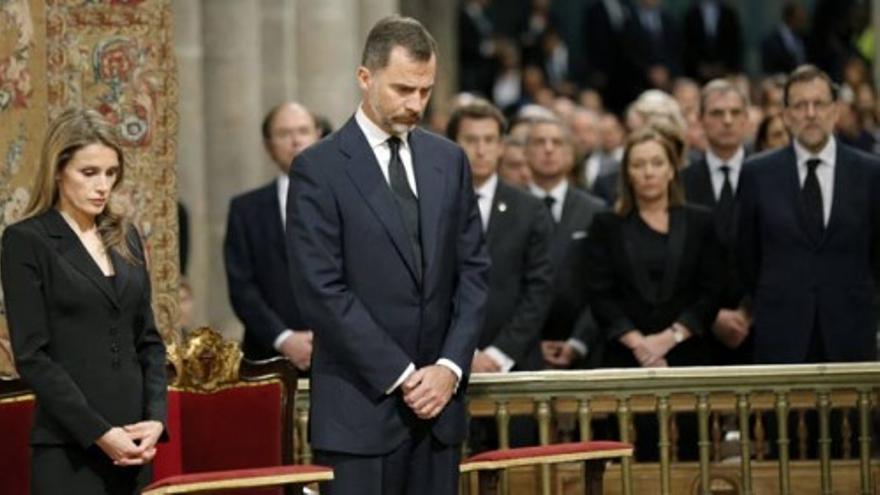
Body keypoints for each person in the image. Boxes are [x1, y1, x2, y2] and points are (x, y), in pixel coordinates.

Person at [286, 16, 490, 494]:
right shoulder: (319, 168)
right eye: (403, 89)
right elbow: (321, 290)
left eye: (425, 91)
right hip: (360, 411)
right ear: (365, 77)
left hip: (440, 414)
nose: (415, 104)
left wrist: (449, 369)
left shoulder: (448, 160)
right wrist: (402, 376)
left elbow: (475, 272)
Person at [1, 108, 167, 494]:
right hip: (68, 448)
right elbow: (32, 355)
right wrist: (99, 433)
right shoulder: (27, 241)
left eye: (111, 173)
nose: (102, 186)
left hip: (135, 444)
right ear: (59, 171)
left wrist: (156, 420)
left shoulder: (124, 237)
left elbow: (149, 341)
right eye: (89, 173)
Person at [586, 128, 723, 460]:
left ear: (672, 169)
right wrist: (641, 346)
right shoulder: (607, 225)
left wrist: (670, 338)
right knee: (635, 458)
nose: (648, 172)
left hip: (689, 357)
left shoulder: (700, 221)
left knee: (695, 456)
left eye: (656, 163)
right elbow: (599, 294)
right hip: (627, 360)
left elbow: (712, 290)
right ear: (627, 173)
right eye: (638, 164)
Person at [738, 65, 880, 364]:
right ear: (786, 115)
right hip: (781, 334)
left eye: (819, 104)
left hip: (852, 333)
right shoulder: (757, 173)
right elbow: (746, 256)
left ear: (836, 110)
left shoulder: (870, 172)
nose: (811, 113)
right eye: (800, 106)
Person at [446, 99, 553, 376]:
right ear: (452, 145)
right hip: (444, 366)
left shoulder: (530, 208)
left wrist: (499, 354)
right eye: (471, 140)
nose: (481, 150)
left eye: (489, 140)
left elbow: (539, 289)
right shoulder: (432, 205)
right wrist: (462, 353)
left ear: (502, 146)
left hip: (515, 365)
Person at [223, 102, 319, 365]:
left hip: (340, 355)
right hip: (269, 356)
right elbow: (242, 287)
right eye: (284, 133)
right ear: (268, 145)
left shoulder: (347, 201)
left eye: (303, 131)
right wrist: (283, 338)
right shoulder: (245, 209)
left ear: (318, 136)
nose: (296, 140)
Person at [523, 115, 606, 369]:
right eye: (539, 142)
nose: (548, 149)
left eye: (557, 142)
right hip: (523, 352)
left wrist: (579, 341)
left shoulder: (596, 211)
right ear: (525, 153)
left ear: (571, 154)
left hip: (587, 352)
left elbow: (604, 284)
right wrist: (528, 342)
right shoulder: (510, 209)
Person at [681, 79, 752, 365]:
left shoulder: (770, 177)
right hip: (696, 331)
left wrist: (748, 312)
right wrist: (710, 315)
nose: (727, 121)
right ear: (700, 120)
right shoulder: (681, 182)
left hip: (758, 327)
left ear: (746, 119)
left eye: (735, 113)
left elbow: (778, 250)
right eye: (717, 113)